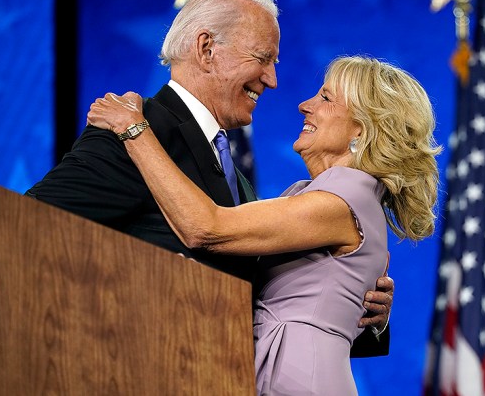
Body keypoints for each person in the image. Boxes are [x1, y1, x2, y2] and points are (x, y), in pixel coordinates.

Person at [24, 0, 391, 356]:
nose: (272, 80)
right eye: (263, 58)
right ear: (206, 49)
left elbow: (266, 308)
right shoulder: (137, 131)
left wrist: (361, 308)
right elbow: (28, 229)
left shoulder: (236, 179)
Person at [86, 54, 442, 396]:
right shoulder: (324, 196)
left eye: (326, 98)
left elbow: (205, 228)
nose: (305, 104)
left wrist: (133, 130)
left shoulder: (346, 196)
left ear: (362, 131)